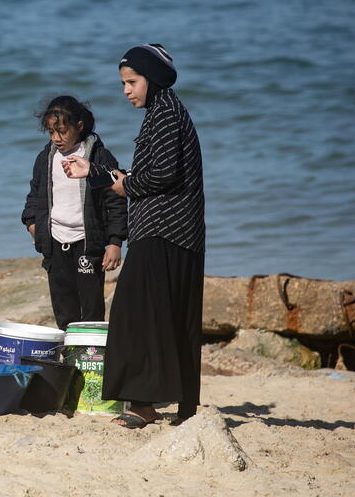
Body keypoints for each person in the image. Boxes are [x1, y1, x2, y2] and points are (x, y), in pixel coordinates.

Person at [62, 44, 205, 428]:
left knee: (132, 313)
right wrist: (94, 171)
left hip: (166, 229)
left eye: (132, 82)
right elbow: (142, 178)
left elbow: (157, 178)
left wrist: (120, 185)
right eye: (123, 83)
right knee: (167, 315)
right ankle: (176, 404)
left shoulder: (167, 116)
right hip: (170, 230)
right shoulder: (162, 113)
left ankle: (144, 404)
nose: (126, 90)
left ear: (153, 80)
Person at [21, 95, 128, 330]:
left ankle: (90, 358)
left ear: (79, 125)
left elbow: (115, 200)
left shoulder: (98, 158)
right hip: (55, 243)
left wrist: (115, 241)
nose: (56, 138)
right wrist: (32, 224)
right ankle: (69, 358)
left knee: (90, 308)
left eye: (62, 131)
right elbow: (34, 196)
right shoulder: (45, 159)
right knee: (63, 306)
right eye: (51, 132)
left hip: (88, 244)